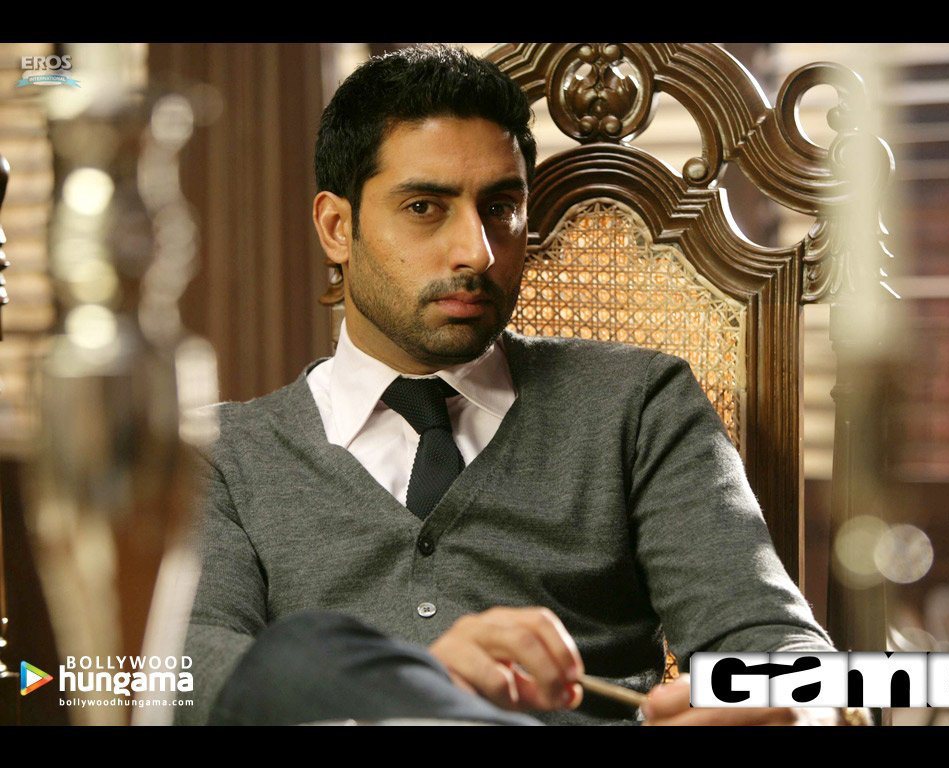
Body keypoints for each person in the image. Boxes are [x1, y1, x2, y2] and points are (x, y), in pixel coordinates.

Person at [179, 45, 841, 726]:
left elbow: (785, 652)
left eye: (500, 207)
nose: (477, 251)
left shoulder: (638, 403)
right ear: (337, 228)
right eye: (424, 207)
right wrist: (409, 686)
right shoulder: (224, 454)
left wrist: (801, 708)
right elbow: (172, 676)